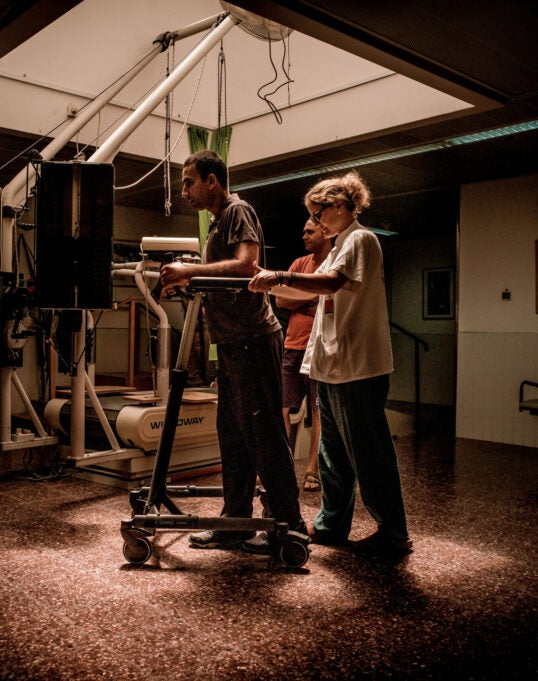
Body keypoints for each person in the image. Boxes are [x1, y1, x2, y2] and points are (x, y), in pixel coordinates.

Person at [248, 170, 412, 559]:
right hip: (332, 368)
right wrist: (263, 282)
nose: (316, 222)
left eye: (318, 213)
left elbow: (331, 283)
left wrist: (279, 276)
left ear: (339, 205)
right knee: (332, 456)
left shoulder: (360, 239)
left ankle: (394, 532)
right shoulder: (339, 245)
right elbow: (304, 288)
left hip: (359, 368)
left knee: (369, 454)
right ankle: (331, 525)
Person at [159, 149, 306, 554]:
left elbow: (247, 266)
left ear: (213, 181)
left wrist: (190, 271)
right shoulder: (217, 221)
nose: (185, 190)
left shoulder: (238, 209)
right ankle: (235, 521)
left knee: (263, 433)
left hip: (254, 340)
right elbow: (225, 275)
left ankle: (289, 524)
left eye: (189, 182)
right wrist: (194, 277)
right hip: (231, 342)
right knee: (233, 434)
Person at [276, 218, 331, 493]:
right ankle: (281, 470)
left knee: (319, 412)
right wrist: (312, 298)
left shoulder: (334, 263)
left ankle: (313, 471)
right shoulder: (299, 264)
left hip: (320, 350)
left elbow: (331, 299)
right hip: (292, 346)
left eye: (309, 231)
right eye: (303, 230)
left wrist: (301, 298)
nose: (304, 235)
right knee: (282, 408)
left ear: (325, 231)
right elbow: (280, 300)